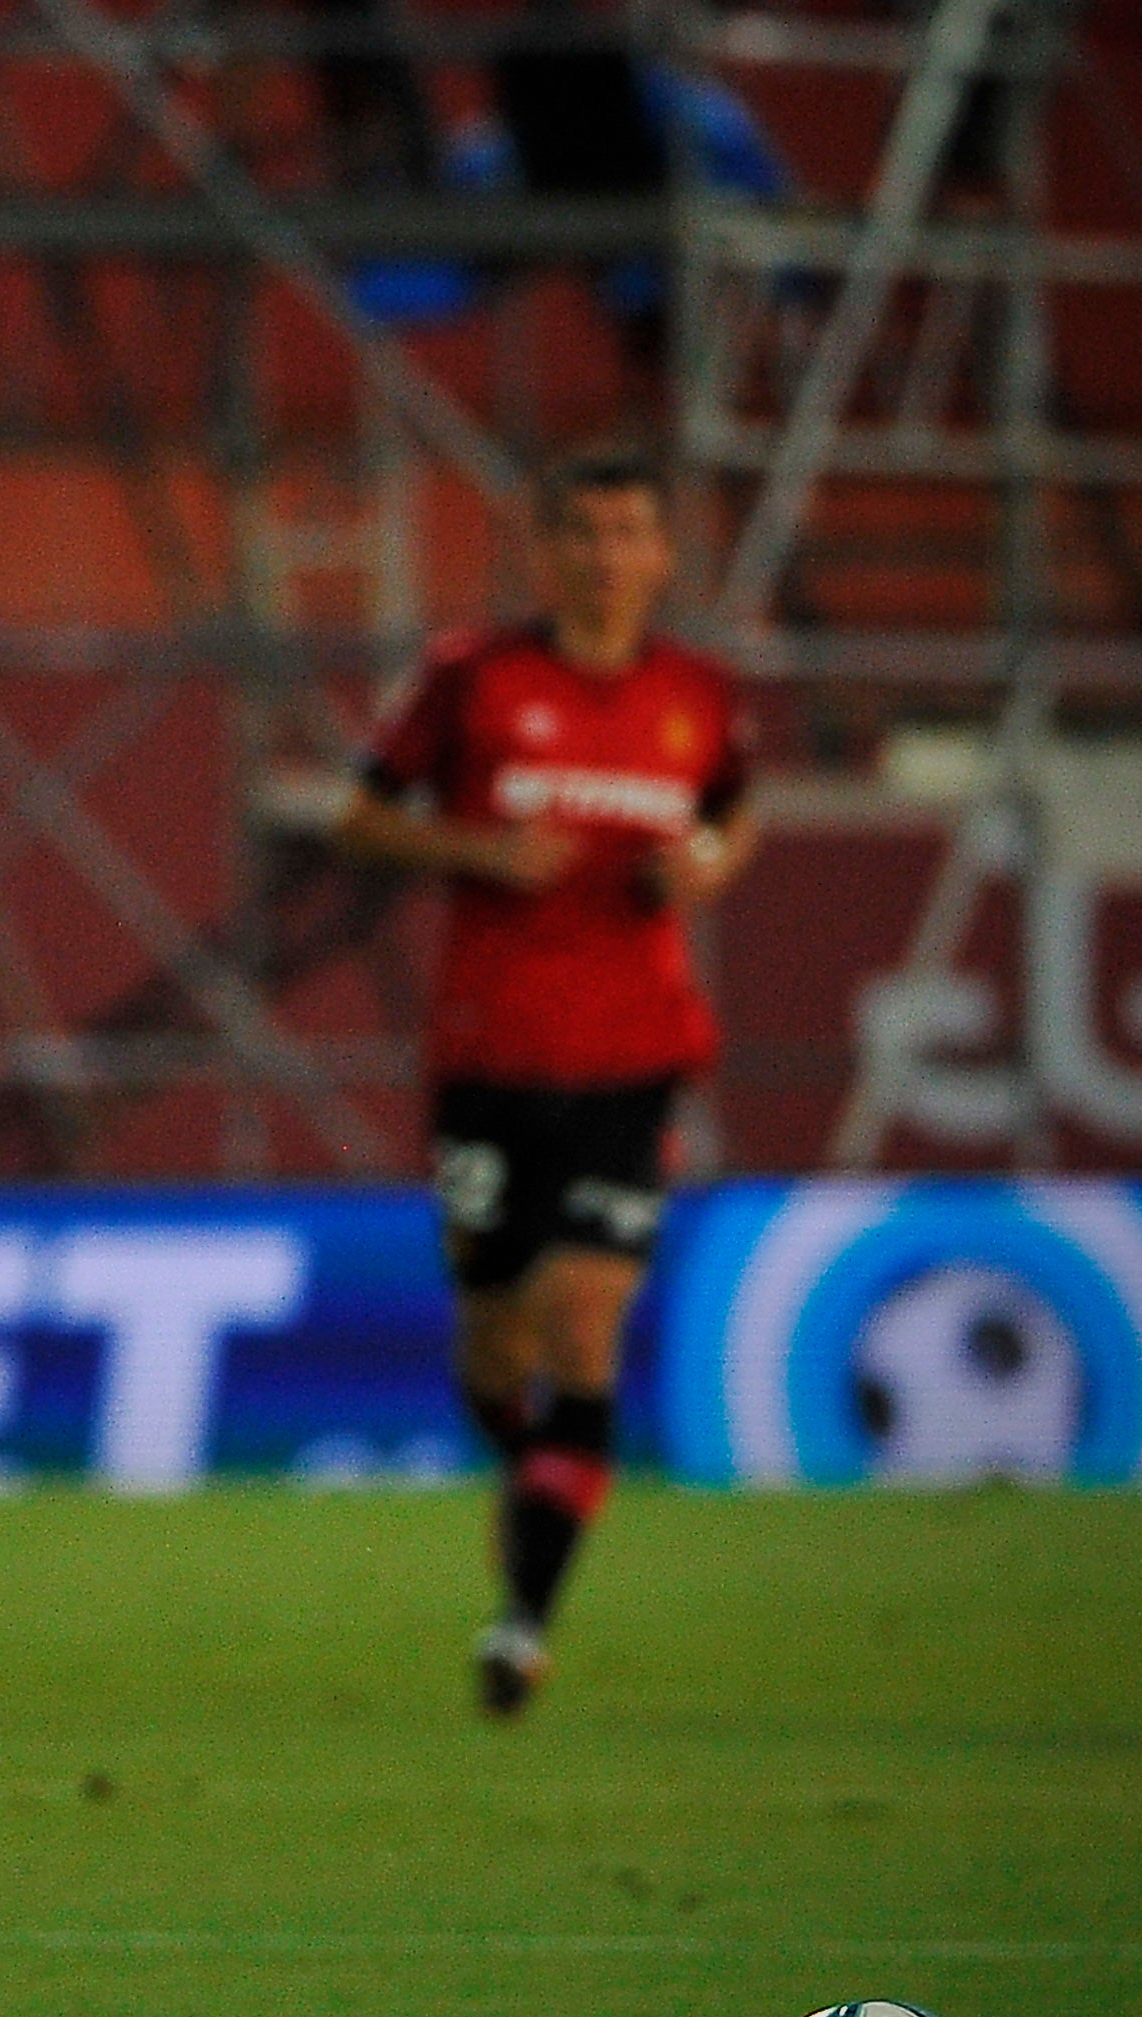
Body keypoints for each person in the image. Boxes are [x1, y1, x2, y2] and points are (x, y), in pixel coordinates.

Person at [333, 448, 755, 1718]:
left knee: (582, 1323)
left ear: (660, 557)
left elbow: (734, 814)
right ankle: (548, 1477)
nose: (604, 554)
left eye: (629, 532)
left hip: (635, 1062)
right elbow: (360, 814)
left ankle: (521, 1623)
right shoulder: (474, 680)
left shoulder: (695, 697)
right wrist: (475, 848)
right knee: (494, 1345)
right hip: (489, 1063)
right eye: (580, 531)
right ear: (545, 550)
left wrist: (703, 870)